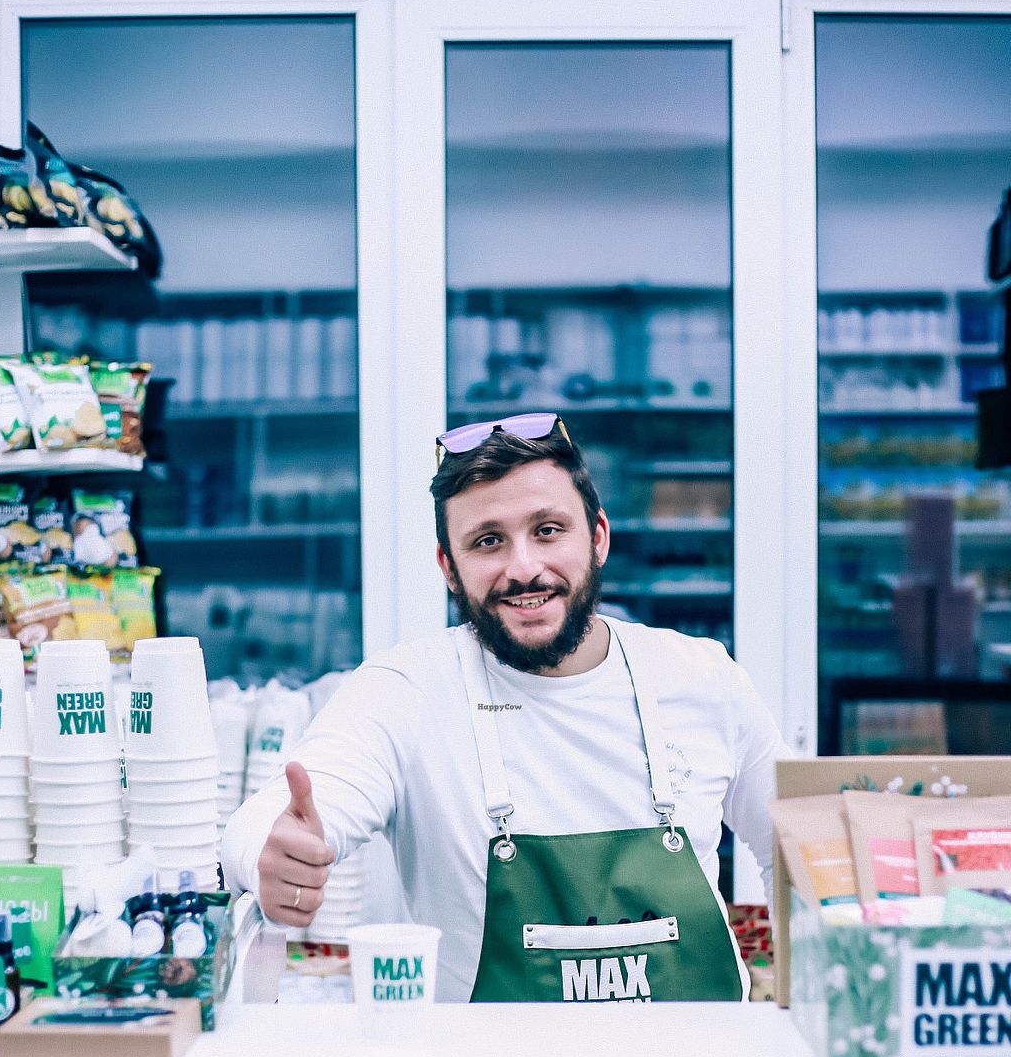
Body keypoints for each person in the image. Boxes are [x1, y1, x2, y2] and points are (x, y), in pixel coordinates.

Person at [222, 413, 790, 1003]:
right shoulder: (407, 692)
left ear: (598, 537)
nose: (524, 568)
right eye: (488, 541)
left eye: (548, 530)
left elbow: (796, 845)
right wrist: (268, 852)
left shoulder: (703, 678)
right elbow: (268, 820)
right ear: (449, 567)